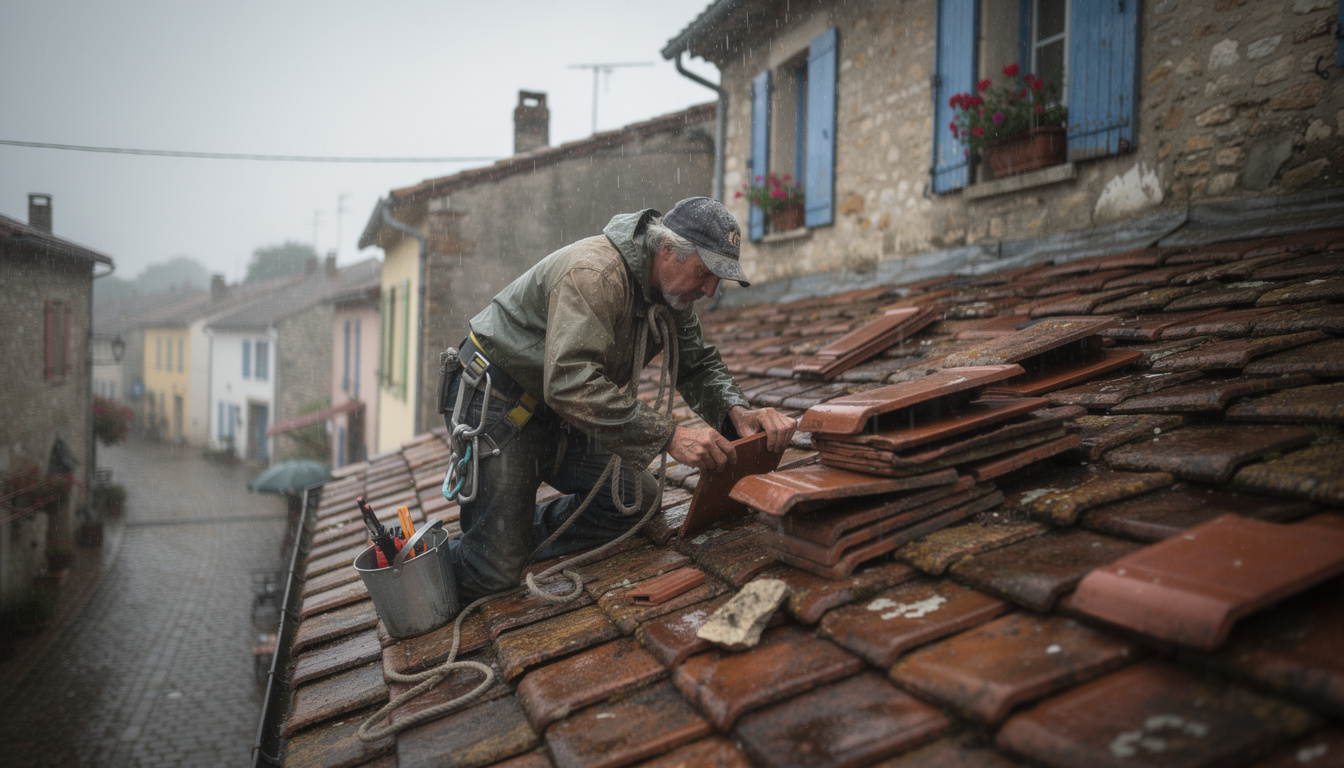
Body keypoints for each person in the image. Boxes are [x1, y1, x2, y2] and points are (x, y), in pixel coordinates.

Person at [440, 197, 796, 601]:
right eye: (705, 272)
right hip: (499, 402)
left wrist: (738, 412)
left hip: (560, 412)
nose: (710, 291)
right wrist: (670, 437)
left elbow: (696, 364)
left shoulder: (670, 294)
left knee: (635, 500)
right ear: (666, 249)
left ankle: (510, 537)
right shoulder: (594, 274)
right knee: (492, 576)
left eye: (718, 279)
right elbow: (570, 383)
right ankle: (455, 562)